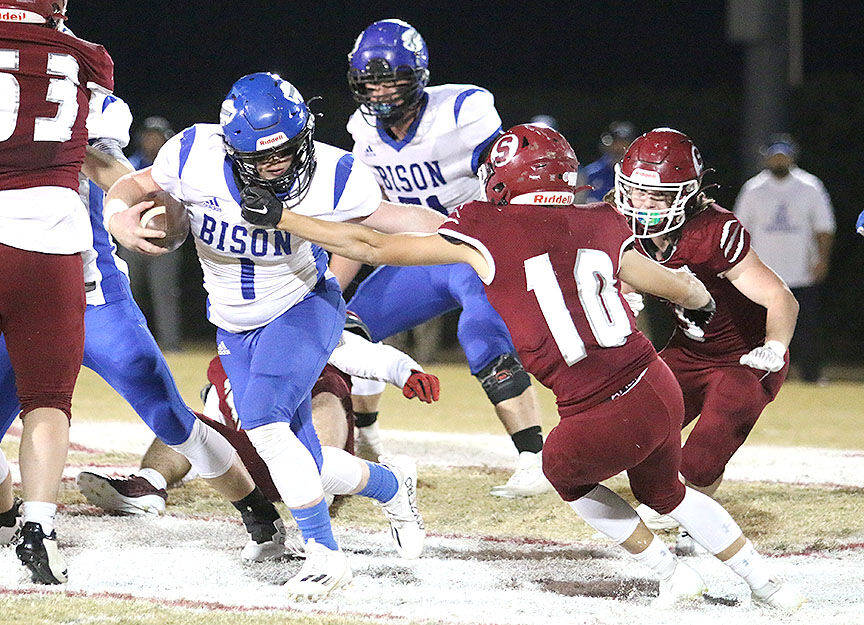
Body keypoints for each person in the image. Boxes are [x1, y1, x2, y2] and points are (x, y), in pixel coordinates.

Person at [262, 124, 806, 611]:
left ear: (503, 178)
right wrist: (696, 304)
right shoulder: (603, 219)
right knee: (669, 493)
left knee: (560, 471)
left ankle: (669, 573)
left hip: (600, 405)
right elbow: (685, 286)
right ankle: (768, 586)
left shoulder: (487, 227)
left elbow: (373, 245)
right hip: (656, 380)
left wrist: (285, 217)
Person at [103, 72, 442, 598]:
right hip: (235, 325)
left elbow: (389, 222)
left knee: (263, 424)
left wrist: (473, 231)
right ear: (232, 148)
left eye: (286, 150)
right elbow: (134, 183)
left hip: (303, 306)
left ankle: (325, 554)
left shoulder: (335, 172)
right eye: (262, 158)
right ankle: (393, 486)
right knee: (307, 462)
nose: (278, 164)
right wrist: (118, 217)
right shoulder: (194, 153)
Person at [0, 58, 284, 586]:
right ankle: (11, 518)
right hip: (23, 287)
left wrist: (142, 203)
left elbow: (103, 160)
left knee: (169, 416)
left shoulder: (80, 99)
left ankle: (258, 512)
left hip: (92, 293)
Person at [336, 19, 551, 498]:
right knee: (344, 329)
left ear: (418, 75)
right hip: (417, 257)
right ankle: (366, 435)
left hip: (474, 252)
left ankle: (534, 457)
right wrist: (330, 285)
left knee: (479, 332)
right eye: (370, 81)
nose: (381, 92)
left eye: (391, 79)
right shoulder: (361, 131)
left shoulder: (463, 109)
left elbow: (508, 181)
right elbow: (361, 219)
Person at [77, 315, 440, 562]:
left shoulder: (309, 334)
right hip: (255, 461)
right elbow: (214, 434)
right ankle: (149, 484)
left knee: (323, 394)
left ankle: (353, 514)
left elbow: (357, 352)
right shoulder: (233, 340)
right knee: (188, 425)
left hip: (309, 448)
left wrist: (405, 370)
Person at [609, 128, 799, 555]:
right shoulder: (620, 223)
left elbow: (778, 296)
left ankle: (699, 532)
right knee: (630, 439)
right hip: (689, 350)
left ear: (688, 194)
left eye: (656, 197)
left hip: (745, 358)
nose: (641, 205)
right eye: (635, 193)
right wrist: (619, 293)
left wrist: (775, 346)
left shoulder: (713, 230)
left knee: (698, 461)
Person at [0, 0, 121, 585]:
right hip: (49, 239)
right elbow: (103, 155)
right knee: (48, 399)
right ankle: (38, 529)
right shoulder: (86, 58)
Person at [734, 134, 835, 383]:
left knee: (807, 328)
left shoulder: (810, 186)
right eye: (775, 155)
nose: (779, 159)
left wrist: (822, 259)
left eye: (784, 155)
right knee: (757, 330)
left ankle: (811, 376)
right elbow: (740, 229)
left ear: (792, 157)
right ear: (767, 157)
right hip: (763, 275)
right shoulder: (753, 189)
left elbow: (824, 228)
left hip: (800, 272)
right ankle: (759, 375)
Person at [120, 115, 183, 352]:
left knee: (165, 295)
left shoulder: (174, 167)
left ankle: (170, 344)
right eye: (149, 136)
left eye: (158, 136)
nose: (153, 141)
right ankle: (129, 344)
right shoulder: (128, 165)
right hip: (131, 238)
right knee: (127, 293)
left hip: (165, 241)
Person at [574, 120, 636, 204]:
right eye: (616, 142)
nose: (620, 147)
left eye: (625, 142)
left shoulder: (638, 175)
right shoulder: (590, 174)